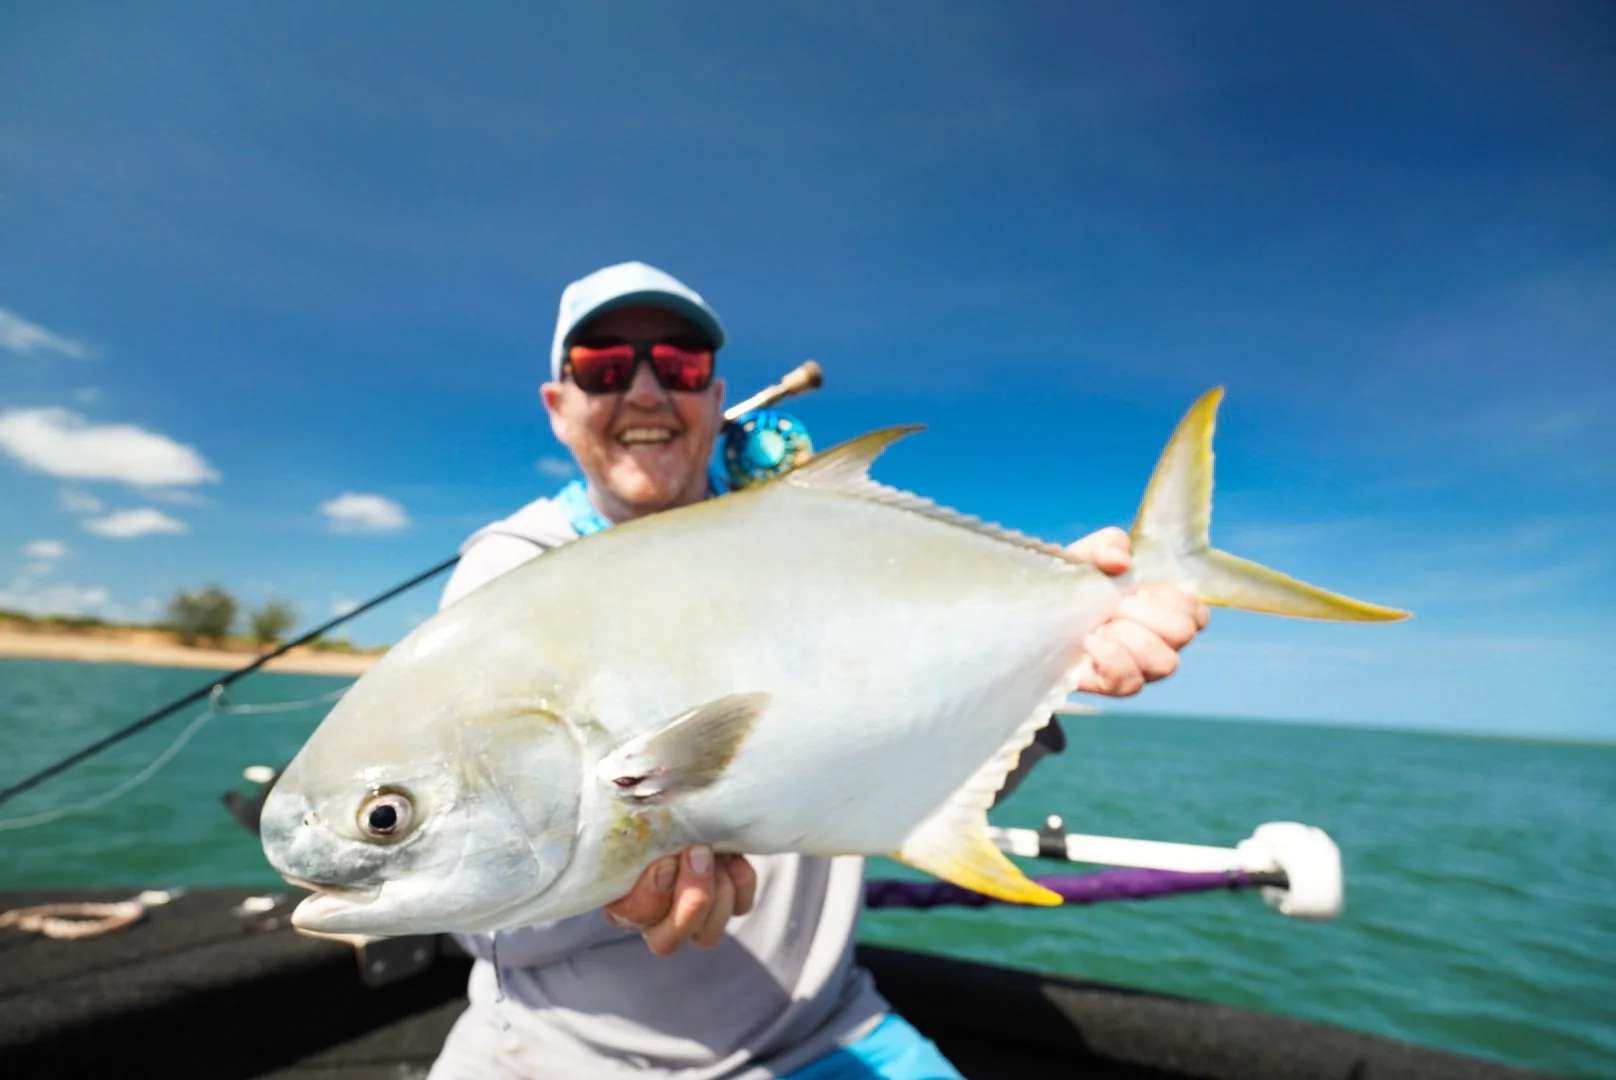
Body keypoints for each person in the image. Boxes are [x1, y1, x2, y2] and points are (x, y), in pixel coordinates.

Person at [426, 261, 1209, 1080]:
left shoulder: (812, 539)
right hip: (561, 1056)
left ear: (716, 392)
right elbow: (467, 908)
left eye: (682, 365)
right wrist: (619, 888)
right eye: (605, 368)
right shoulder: (505, 584)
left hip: (824, 1033)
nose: (648, 392)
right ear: (558, 405)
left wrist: (1056, 661)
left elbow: (893, 776)